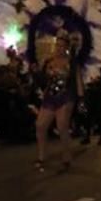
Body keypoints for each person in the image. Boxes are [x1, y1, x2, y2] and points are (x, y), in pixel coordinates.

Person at [33, 31, 83, 172]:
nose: (59, 48)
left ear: (66, 47)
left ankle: (66, 156)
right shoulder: (48, 61)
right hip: (50, 96)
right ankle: (41, 156)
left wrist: (81, 99)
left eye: (62, 46)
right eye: (57, 45)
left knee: (62, 126)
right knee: (40, 125)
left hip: (66, 96)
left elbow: (78, 81)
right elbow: (42, 80)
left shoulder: (72, 62)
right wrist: (37, 72)